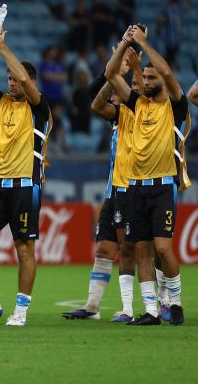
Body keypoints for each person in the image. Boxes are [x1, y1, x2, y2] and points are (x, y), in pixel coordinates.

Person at [0, 20, 51, 326]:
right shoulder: (2, 103)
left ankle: (21, 309)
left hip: (24, 186)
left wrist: (2, 45)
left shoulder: (40, 108)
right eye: (9, 79)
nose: (11, 83)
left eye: (16, 79)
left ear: (28, 81)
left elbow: (26, 82)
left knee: (24, 248)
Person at [105, 25, 190, 326]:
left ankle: (176, 304)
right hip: (135, 189)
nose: (148, 80)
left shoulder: (176, 107)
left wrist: (143, 44)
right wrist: (125, 43)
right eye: (146, 77)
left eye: (153, 78)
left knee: (163, 250)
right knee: (141, 250)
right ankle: (152, 311)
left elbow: (167, 73)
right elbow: (111, 74)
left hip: (163, 186)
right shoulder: (136, 104)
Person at [62, 47, 139, 322]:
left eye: (118, 93)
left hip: (132, 190)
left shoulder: (136, 115)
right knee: (105, 249)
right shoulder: (117, 117)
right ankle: (92, 306)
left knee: (130, 248)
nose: (114, 97)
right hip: (112, 191)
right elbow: (95, 103)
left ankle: (133, 308)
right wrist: (114, 78)